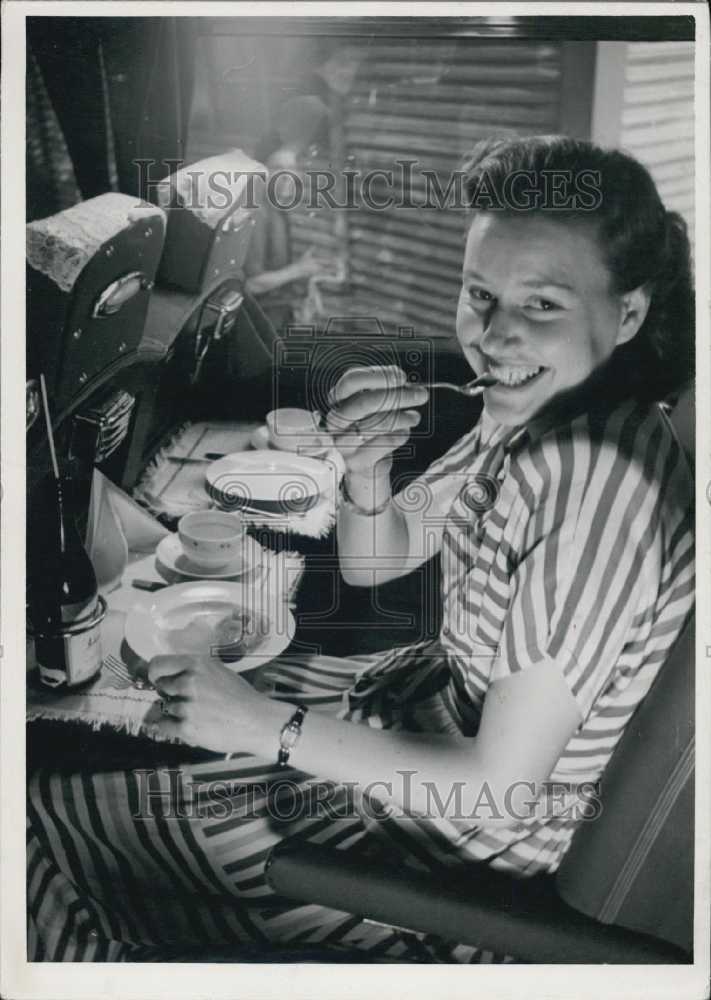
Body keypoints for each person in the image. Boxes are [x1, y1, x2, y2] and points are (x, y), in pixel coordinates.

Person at [27, 136, 694, 963]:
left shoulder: (593, 492)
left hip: (445, 853)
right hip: (418, 721)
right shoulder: (532, 415)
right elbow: (381, 557)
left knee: (43, 804)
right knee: (125, 741)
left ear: (626, 314)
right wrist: (369, 473)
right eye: (478, 294)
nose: (493, 336)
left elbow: (500, 787)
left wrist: (264, 724)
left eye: (542, 307)